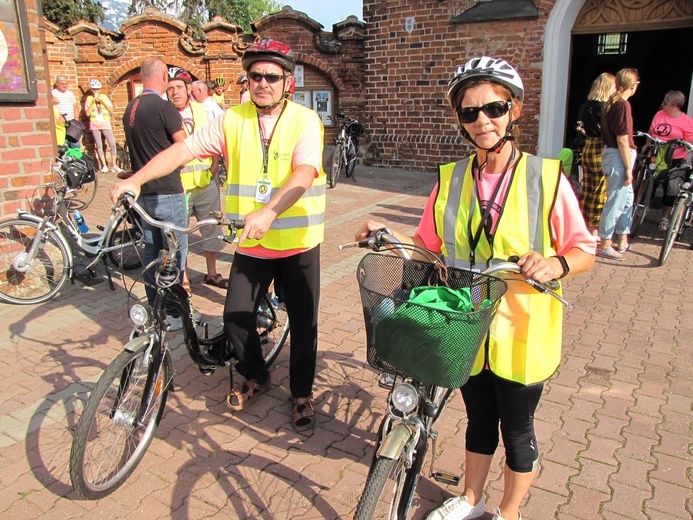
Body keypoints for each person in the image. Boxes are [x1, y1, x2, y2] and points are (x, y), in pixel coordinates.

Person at [355, 56, 595, 520]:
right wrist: (388, 231)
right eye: (469, 112)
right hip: (465, 324)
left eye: (494, 108)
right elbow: (428, 245)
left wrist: (555, 263)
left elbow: (585, 248)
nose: (482, 121)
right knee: (479, 419)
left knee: (518, 430)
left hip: (523, 331)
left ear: (515, 110)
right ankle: (471, 498)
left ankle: (509, 510)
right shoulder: (451, 178)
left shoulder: (546, 179)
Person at [111, 39, 326, 431]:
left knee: (304, 321)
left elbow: (305, 172)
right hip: (253, 244)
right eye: (254, 75)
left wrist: (269, 210)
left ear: (287, 82)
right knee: (235, 318)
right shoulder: (231, 120)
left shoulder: (305, 121)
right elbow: (184, 150)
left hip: (297, 243)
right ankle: (257, 376)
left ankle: (301, 393)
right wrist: (138, 179)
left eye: (271, 76)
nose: (262, 82)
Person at [121, 57, 188, 330]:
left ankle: (156, 308)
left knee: (151, 250)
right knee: (175, 252)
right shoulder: (164, 107)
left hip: (143, 193)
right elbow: (184, 149)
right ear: (162, 77)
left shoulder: (130, 108)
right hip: (168, 190)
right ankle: (173, 312)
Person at [166, 67, 227, 290]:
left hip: (205, 181)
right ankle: (183, 276)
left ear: (188, 89)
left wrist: (215, 165)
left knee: (211, 229)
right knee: (180, 232)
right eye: (170, 88)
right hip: (179, 186)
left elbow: (215, 136)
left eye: (179, 88)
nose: (175, 93)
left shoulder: (202, 109)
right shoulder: (164, 113)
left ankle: (212, 273)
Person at [597, 68, 639, 259]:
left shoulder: (611, 103)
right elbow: (622, 138)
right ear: (633, 85)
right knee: (615, 201)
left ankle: (622, 238)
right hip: (619, 156)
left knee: (627, 200)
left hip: (613, 153)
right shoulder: (622, 105)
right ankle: (605, 243)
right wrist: (629, 167)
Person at [576, 72, 616, 234]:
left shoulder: (585, 106)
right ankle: (593, 230)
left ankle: (582, 224)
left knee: (587, 189)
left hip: (588, 147)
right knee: (599, 191)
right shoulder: (604, 108)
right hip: (600, 147)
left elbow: (580, 128)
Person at [648, 90, 693, 230]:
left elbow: (690, 141)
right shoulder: (659, 114)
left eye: (665, 103)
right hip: (656, 155)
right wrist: (647, 144)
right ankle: (641, 208)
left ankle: (665, 217)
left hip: (675, 158)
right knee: (650, 182)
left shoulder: (686, 121)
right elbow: (651, 130)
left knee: (670, 189)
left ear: (673, 104)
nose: (663, 105)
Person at [84, 79, 123, 173]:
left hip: (105, 123)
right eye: (94, 89)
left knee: (112, 143)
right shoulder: (89, 99)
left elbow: (111, 110)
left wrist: (102, 101)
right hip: (95, 124)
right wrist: (93, 102)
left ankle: (114, 165)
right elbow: (87, 114)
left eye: (97, 89)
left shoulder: (104, 97)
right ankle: (104, 165)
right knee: (99, 145)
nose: (96, 91)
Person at [52, 74, 81, 149]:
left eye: (66, 84)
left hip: (71, 122)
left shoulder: (70, 93)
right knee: (63, 144)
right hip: (60, 122)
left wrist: (76, 119)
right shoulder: (53, 93)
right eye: (62, 84)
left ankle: (77, 159)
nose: (64, 86)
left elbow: (75, 106)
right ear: (57, 84)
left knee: (74, 143)